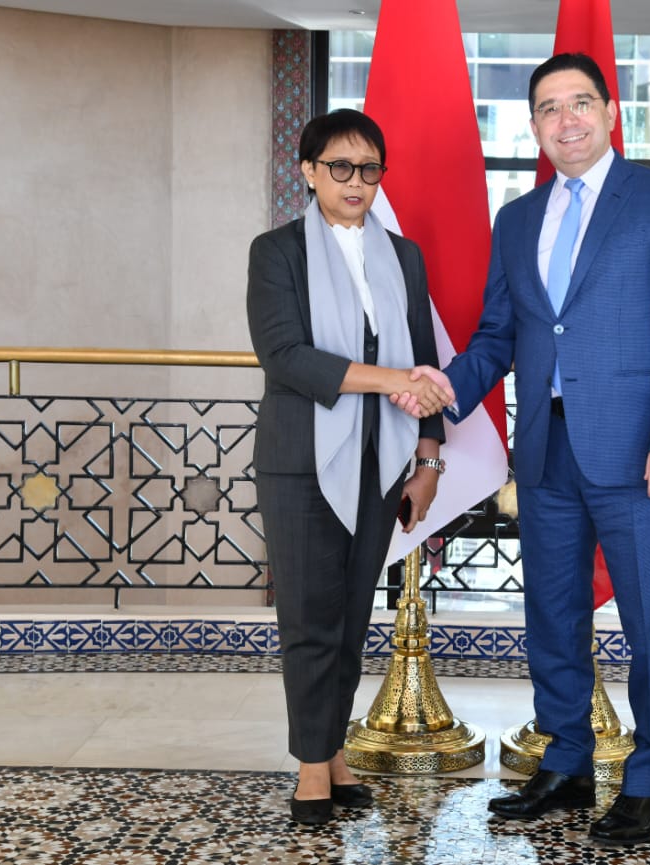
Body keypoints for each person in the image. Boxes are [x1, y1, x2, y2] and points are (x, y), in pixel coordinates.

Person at [405, 53, 650, 845]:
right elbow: (499, 335)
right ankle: (568, 760)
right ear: (534, 126)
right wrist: (442, 388)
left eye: (580, 102)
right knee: (551, 615)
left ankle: (648, 780)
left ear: (610, 112)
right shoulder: (518, 219)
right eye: (549, 108)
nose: (565, 119)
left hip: (641, 458)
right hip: (546, 452)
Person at [247, 109, 452, 826]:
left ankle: (332, 752)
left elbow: (424, 360)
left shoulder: (404, 255)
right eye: (339, 166)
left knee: (351, 615)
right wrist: (391, 377)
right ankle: (312, 766)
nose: (355, 181)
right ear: (309, 171)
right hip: (301, 462)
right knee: (310, 618)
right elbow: (286, 357)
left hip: (383, 461)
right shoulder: (277, 252)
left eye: (369, 168)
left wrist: (429, 458)